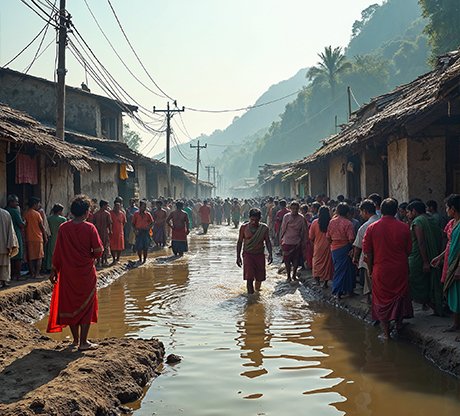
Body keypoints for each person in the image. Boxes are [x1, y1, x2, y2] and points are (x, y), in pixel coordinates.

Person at [47, 195, 104, 351]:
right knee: (87, 306)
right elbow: (99, 251)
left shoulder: (64, 228)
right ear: (86, 212)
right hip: (86, 272)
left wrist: (54, 269)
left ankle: (75, 340)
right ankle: (84, 343)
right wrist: (89, 256)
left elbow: (57, 251)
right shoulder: (90, 228)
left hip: (67, 273)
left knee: (71, 304)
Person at [362, 198, 413, 340]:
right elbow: (409, 250)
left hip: (380, 269)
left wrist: (371, 269)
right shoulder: (404, 227)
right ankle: (398, 324)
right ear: (396, 210)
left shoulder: (372, 228)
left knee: (381, 299)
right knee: (400, 296)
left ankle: (385, 333)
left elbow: (368, 252)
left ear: (381, 210)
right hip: (400, 268)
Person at [406, 200, 443, 316]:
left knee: (415, 283)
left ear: (414, 211)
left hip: (419, 258)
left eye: (408, 212)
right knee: (429, 282)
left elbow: (421, 242)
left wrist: (425, 261)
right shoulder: (431, 219)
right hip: (433, 255)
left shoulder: (417, 222)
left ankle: (431, 305)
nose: (407, 215)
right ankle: (435, 306)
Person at [236, 208, 273, 294]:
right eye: (252, 220)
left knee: (259, 278)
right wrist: (238, 257)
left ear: (260, 219)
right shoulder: (244, 228)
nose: (254, 222)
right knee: (249, 278)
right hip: (248, 255)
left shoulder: (264, 228)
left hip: (259, 254)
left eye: (256, 220)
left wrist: (270, 254)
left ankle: (257, 293)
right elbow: (240, 242)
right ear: (249, 218)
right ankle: (251, 298)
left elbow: (267, 241)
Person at [438, 195, 460, 333]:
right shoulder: (453, 223)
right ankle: (456, 324)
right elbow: (450, 244)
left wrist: (459, 267)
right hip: (450, 262)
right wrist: (440, 257)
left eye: (447, 207)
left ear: (453, 208)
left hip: (457, 265)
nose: (445, 210)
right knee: (454, 295)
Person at [352, 199, 380, 304]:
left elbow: (358, 246)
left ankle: (370, 299)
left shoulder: (364, 227)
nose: (360, 214)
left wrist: (355, 258)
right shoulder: (381, 221)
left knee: (369, 280)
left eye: (361, 212)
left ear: (365, 211)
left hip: (369, 257)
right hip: (382, 256)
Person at [327, 202, 355, 299]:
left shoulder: (332, 222)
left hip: (334, 248)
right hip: (345, 247)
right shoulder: (348, 223)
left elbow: (328, 237)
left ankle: (340, 291)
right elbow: (351, 238)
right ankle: (339, 291)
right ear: (347, 212)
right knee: (346, 270)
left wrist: (333, 243)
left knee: (338, 269)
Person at [280, 201, 307, 283]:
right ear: (290, 209)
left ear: (298, 209)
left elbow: (304, 231)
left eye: (296, 209)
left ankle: (294, 275)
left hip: (297, 242)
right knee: (287, 261)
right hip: (287, 241)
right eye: (293, 208)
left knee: (296, 260)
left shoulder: (301, 218)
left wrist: (303, 242)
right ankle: (288, 276)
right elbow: (283, 229)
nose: (295, 210)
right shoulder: (286, 217)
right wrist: (281, 239)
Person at [309, 206, 334, 288]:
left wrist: (314, 243)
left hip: (318, 246)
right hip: (329, 246)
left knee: (316, 263)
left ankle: (317, 281)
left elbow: (311, 236)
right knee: (327, 264)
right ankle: (325, 283)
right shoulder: (331, 223)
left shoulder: (315, 222)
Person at [24, 197, 48, 278]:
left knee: (30, 257)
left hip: (29, 238)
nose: (39, 205)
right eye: (38, 204)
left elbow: (24, 225)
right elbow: (42, 227)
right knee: (39, 257)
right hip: (38, 238)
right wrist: (45, 236)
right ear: (34, 204)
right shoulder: (37, 214)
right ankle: (37, 274)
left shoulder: (26, 213)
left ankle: (32, 273)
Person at [5, 195, 25, 280]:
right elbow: (21, 224)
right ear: (11, 202)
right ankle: (18, 276)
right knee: (18, 255)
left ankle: (12, 275)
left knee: (11, 254)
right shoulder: (15, 211)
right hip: (16, 233)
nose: (17, 203)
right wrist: (25, 221)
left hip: (6, 234)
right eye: (16, 202)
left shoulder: (6, 210)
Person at [44, 204, 67, 271]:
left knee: (50, 252)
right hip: (60, 238)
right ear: (60, 211)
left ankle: (49, 266)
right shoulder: (63, 219)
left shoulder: (49, 218)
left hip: (51, 237)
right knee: (60, 252)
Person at [0, 208, 18, 288]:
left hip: (4, 244)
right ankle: (3, 281)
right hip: (4, 244)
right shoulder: (6, 214)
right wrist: (11, 243)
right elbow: (11, 231)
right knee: (4, 264)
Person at [92, 200, 112, 267]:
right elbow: (109, 224)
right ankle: (101, 261)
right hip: (101, 232)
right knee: (101, 246)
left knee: (103, 246)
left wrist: (110, 231)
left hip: (101, 232)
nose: (107, 207)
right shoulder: (105, 214)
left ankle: (103, 261)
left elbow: (109, 224)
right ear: (103, 206)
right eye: (106, 205)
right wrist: (110, 231)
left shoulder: (97, 214)